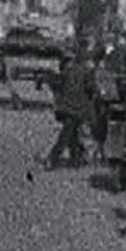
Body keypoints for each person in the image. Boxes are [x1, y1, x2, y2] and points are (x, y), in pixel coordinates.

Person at [44, 39, 93, 170]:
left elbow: (59, 83)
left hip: (66, 107)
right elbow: (90, 88)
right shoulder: (86, 72)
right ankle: (52, 159)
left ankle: (75, 159)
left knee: (72, 134)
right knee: (65, 136)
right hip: (76, 108)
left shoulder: (69, 69)